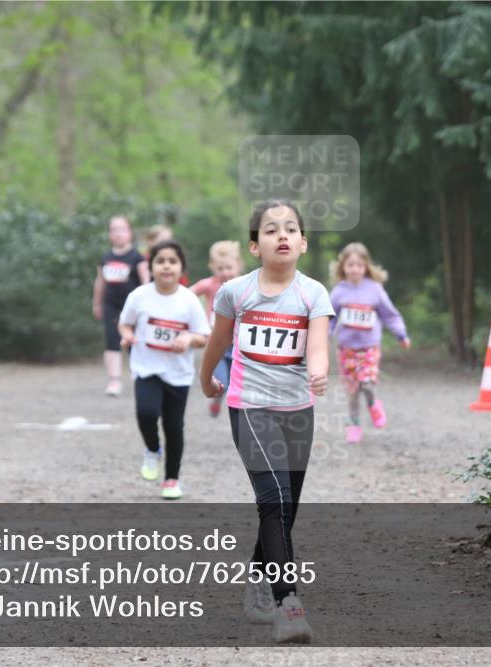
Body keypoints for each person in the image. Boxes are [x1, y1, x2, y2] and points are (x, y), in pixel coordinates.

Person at [199, 200, 333, 644]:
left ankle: (258, 579)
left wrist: (318, 370)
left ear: (303, 243)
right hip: (250, 405)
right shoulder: (236, 292)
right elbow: (217, 343)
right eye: (271, 230)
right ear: (255, 246)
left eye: (290, 229)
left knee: (287, 505)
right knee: (273, 499)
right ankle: (288, 605)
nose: (282, 235)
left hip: (297, 409)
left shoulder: (313, 293)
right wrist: (205, 381)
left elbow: (316, 345)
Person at [119, 240, 209, 500]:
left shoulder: (189, 300)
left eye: (172, 261)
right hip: (147, 368)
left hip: (178, 373)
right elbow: (125, 325)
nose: (166, 266)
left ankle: (171, 479)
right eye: (160, 261)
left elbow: (204, 336)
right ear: (151, 266)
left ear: (181, 267)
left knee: (173, 426)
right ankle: (151, 450)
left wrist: (188, 339)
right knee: (146, 413)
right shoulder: (139, 296)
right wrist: (128, 337)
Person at [329, 242, 410, 444]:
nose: (354, 269)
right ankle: (354, 424)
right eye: (350, 264)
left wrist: (401, 334)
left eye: (359, 264)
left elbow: (390, 315)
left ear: (366, 267)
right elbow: (329, 317)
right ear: (343, 267)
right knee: (352, 391)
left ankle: (374, 405)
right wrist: (324, 336)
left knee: (366, 384)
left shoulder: (374, 290)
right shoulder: (339, 292)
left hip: (369, 348)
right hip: (346, 349)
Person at [93, 215, 149, 397]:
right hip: (111, 305)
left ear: (130, 232)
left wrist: (147, 305)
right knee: (111, 340)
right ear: (109, 234)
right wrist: (97, 304)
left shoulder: (136, 257)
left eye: (122, 229)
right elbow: (100, 282)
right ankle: (114, 380)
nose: (118, 233)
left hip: (132, 307)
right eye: (114, 229)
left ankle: (139, 377)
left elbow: (145, 281)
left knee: (134, 341)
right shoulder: (106, 257)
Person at [190, 241, 244, 417]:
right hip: (216, 342)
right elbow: (185, 296)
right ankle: (217, 399)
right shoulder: (209, 284)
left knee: (239, 383)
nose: (225, 272)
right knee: (221, 382)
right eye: (220, 269)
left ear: (238, 265)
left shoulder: (246, 285)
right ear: (212, 267)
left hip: (239, 343)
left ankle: (240, 411)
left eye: (229, 267)